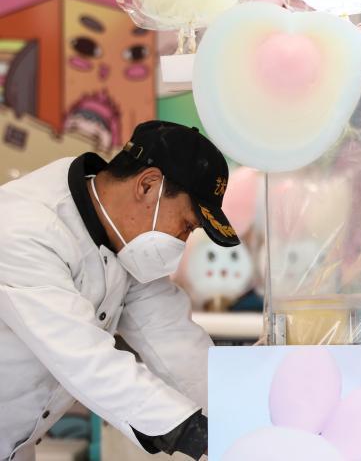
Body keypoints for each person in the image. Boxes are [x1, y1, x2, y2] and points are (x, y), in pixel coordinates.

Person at [0, 121, 240, 460]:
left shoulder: (125, 242)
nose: (183, 241)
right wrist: (193, 434)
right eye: (186, 226)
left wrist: (241, 417)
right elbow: (85, 358)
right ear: (147, 185)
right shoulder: (26, 228)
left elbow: (175, 342)